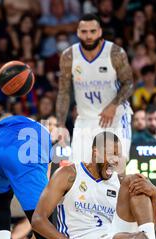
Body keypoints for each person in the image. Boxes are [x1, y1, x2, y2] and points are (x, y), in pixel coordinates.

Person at [56, 14, 133, 169]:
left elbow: (129, 84)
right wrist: (61, 124)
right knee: (78, 171)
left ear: (99, 32)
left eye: (92, 31)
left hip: (115, 118)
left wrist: (113, 106)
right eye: (84, 32)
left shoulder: (115, 52)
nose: (88, 36)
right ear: (78, 32)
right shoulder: (69, 56)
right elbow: (63, 92)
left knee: (116, 170)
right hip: (85, 119)